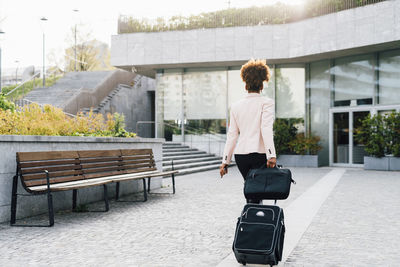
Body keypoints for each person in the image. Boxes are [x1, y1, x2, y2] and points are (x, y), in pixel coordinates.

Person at [219, 59, 277, 203]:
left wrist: (225, 161)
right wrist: (272, 155)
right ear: (262, 84)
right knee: (257, 191)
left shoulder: (236, 106)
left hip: (241, 156)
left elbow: (232, 135)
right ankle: (256, 220)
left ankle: (251, 218)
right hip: (260, 154)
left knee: (251, 189)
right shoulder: (267, 103)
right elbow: (266, 129)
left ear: (245, 84)